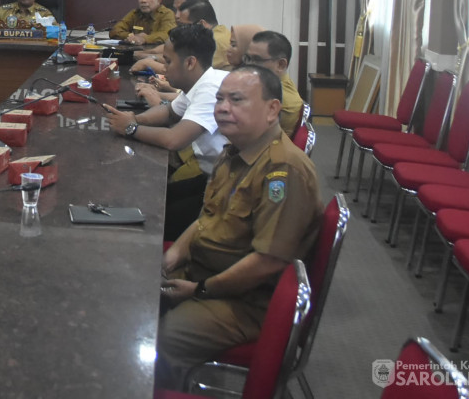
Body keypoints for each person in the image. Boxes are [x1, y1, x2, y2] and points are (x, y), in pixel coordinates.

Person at [156, 65, 322, 388]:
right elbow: (207, 220)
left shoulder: (283, 170)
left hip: (247, 302)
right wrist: (174, 255)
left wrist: (200, 290)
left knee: (163, 335)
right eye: (219, 99)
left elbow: (267, 262)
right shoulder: (235, 153)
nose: (222, 107)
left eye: (236, 100)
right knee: (136, 292)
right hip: (207, 274)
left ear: (273, 109)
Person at [103, 24, 230, 241]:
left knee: (151, 221)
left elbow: (174, 139)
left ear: (190, 62)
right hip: (209, 177)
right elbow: (170, 113)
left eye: (168, 62)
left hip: (221, 190)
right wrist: (135, 118)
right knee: (148, 201)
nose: (164, 68)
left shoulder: (210, 89)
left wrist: (131, 129)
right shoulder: (201, 81)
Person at [244, 30, 304, 138]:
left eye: (257, 60)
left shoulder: (274, 98)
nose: (249, 66)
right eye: (248, 59)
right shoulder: (278, 83)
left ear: (281, 65)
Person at [109, 0, 176, 45]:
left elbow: (168, 34)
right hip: (135, 51)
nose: (143, 0)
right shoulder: (134, 13)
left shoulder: (167, 14)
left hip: (156, 53)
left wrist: (144, 39)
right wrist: (132, 37)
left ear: (159, 0)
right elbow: (115, 31)